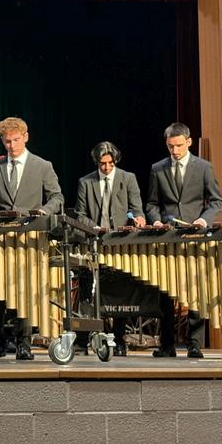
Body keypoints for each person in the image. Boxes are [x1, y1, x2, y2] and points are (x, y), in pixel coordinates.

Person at [0, 116, 64, 360]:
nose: (11, 145)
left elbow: (57, 198)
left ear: (25, 137)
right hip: (0, 238)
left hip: (29, 238)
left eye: (15, 140)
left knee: (25, 291)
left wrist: (43, 212)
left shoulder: (42, 166)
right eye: (7, 141)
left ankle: (24, 344)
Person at [145, 122, 222, 358]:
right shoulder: (157, 168)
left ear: (188, 142)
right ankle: (167, 344)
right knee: (165, 292)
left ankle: (194, 343)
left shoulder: (204, 167)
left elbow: (216, 201)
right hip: (168, 237)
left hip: (195, 237)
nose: (175, 151)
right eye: (171, 146)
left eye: (179, 145)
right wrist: (156, 221)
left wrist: (203, 220)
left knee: (196, 290)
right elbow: (152, 204)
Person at [74, 141, 146, 356]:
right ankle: (82, 340)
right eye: (102, 163)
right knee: (87, 290)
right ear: (96, 162)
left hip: (119, 243)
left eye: (110, 163)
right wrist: (94, 228)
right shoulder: (86, 182)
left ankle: (119, 339)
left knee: (121, 290)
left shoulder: (128, 178)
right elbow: (80, 214)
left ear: (115, 161)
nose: (106, 167)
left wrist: (139, 218)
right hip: (94, 241)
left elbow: (136, 209)